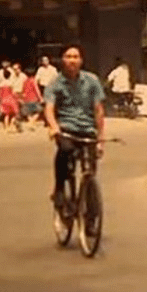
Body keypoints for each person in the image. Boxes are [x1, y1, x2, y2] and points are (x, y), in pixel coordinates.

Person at [44, 45, 106, 212]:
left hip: (88, 130)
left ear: (81, 60)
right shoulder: (55, 83)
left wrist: (101, 139)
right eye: (68, 56)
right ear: (62, 60)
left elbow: (99, 111)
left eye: (75, 56)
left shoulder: (92, 81)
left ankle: (92, 212)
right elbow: (49, 108)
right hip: (66, 129)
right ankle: (59, 188)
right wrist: (54, 127)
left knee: (90, 171)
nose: (72, 60)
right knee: (65, 150)